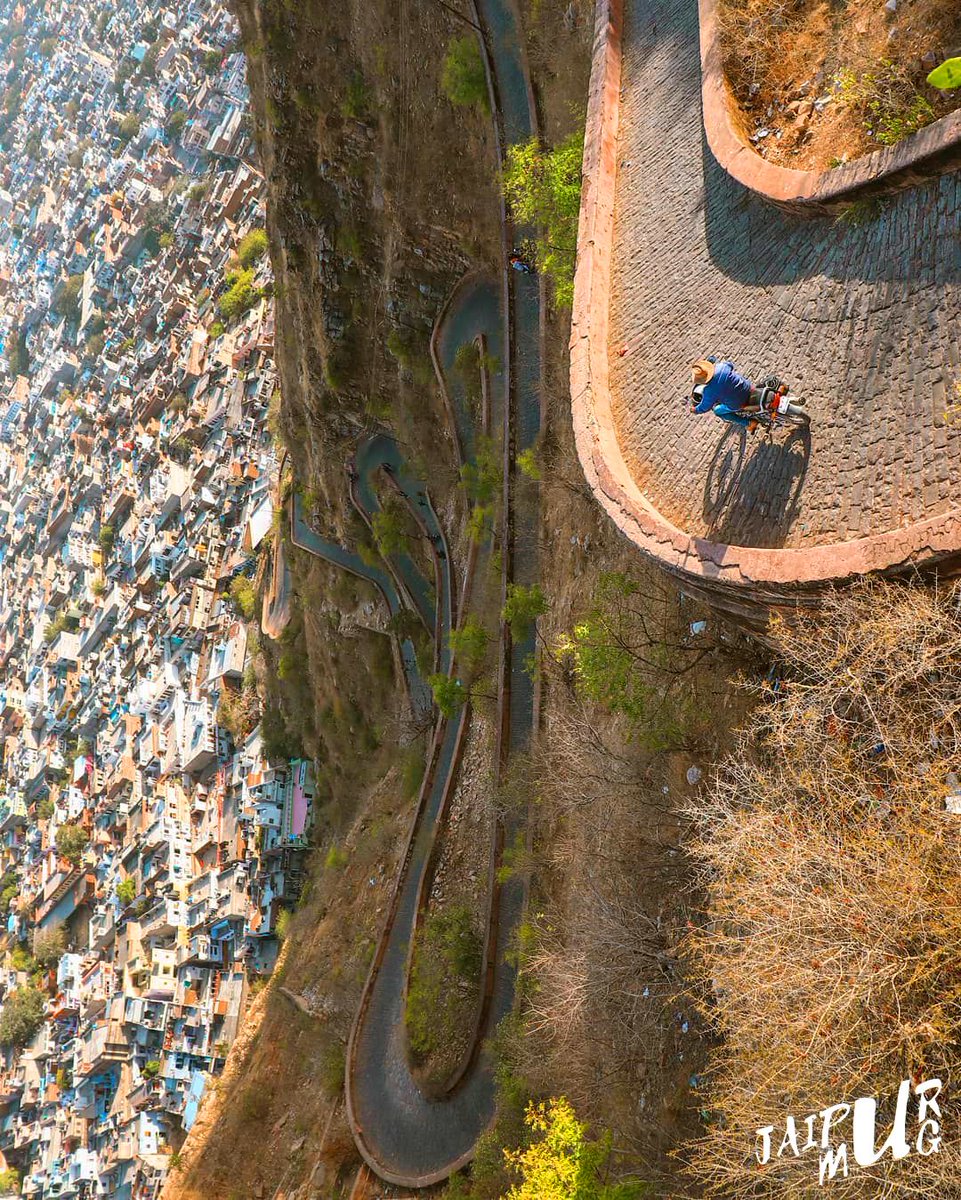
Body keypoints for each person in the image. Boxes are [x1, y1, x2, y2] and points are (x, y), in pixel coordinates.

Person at [688, 357, 761, 432]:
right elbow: (730, 365)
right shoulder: (721, 367)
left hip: (740, 402)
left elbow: (704, 407)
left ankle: (749, 423)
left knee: (717, 411)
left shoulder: (709, 391)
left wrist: (695, 410)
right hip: (748, 387)